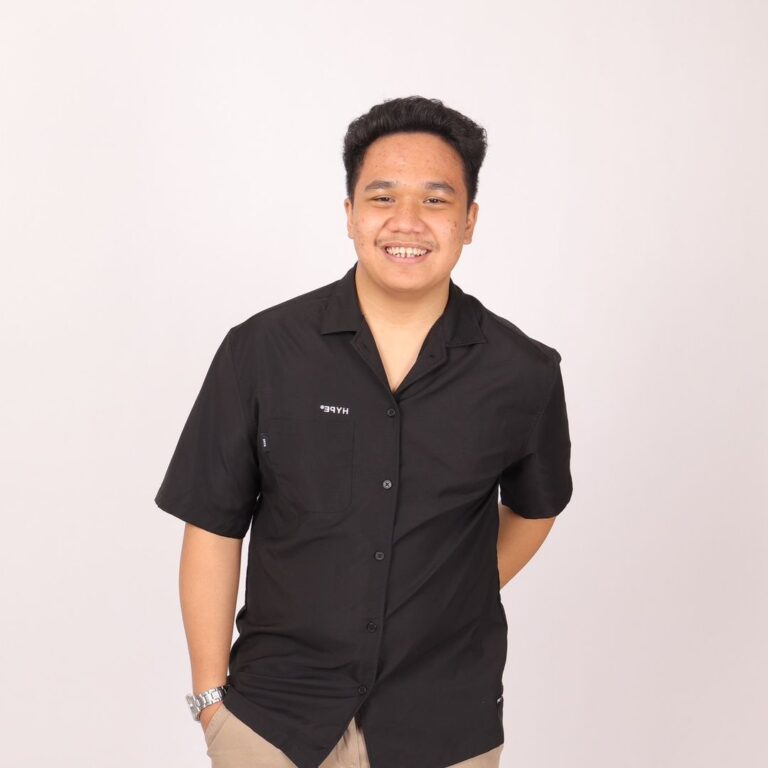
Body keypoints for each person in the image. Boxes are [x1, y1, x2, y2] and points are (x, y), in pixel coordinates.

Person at [155, 95, 573, 768]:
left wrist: (445, 589)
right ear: (350, 214)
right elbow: (212, 523)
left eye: (435, 200)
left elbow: (536, 506)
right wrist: (211, 702)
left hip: (445, 726)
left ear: (469, 220)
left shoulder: (523, 371)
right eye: (383, 198)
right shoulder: (262, 351)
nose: (407, 221)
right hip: (272, 723)